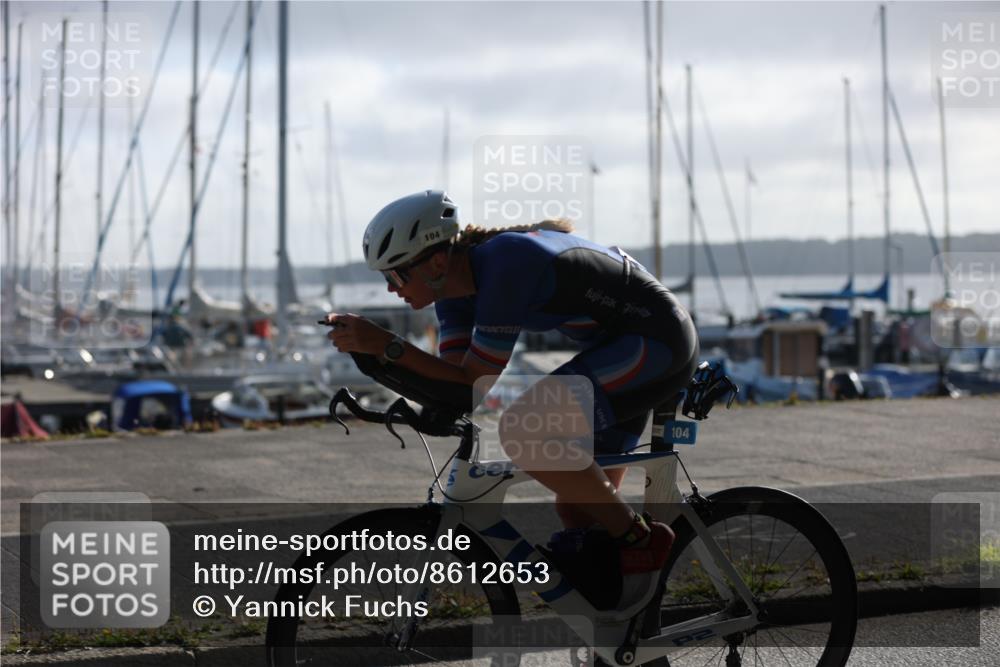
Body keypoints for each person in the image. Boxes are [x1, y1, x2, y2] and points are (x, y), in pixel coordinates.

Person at [327, 190, 699, 611]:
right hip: (621, 348)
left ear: (434, 263)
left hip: (656, 342)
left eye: (395, 276)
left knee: (524, 430)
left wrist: (388, 344)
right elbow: (457, 389)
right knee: (580, 513)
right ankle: (632, 631)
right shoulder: (452, 297)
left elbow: (472, 378)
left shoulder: (506, 263)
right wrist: (380, 363)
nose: (391, 290)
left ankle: (642, 539)